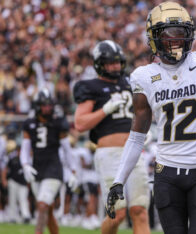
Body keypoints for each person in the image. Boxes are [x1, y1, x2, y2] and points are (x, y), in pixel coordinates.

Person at [106, 1, 196, 234]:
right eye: (167, 36)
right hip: (166, 175)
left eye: (179, 35)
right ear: (154, 39)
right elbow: (136, 137)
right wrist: (118, 180)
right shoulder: (144, 77)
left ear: (190, 35)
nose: (174, 42)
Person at [73, 40, 150, 234]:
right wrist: (105, 110)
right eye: (110, 62)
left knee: (140, 210)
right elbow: (80, 123)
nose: (116, 66)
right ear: (100, 64)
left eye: (118, 61)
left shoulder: (130, 83)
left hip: (134, 152)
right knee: (118, 213)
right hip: (109, 153)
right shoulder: (90, 86)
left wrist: (145, 131)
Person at [20, 88, 78, 234]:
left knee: (42, 205)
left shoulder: (58, 123)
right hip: (37, 168)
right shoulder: (29, 124)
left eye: (49, 105)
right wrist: (25, 165)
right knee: (48, 209)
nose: (47, 108)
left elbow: (67, 149)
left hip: (53, 169)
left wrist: (73, 171)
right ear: (38, 106)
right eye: (44, 105)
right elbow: (25, 149)